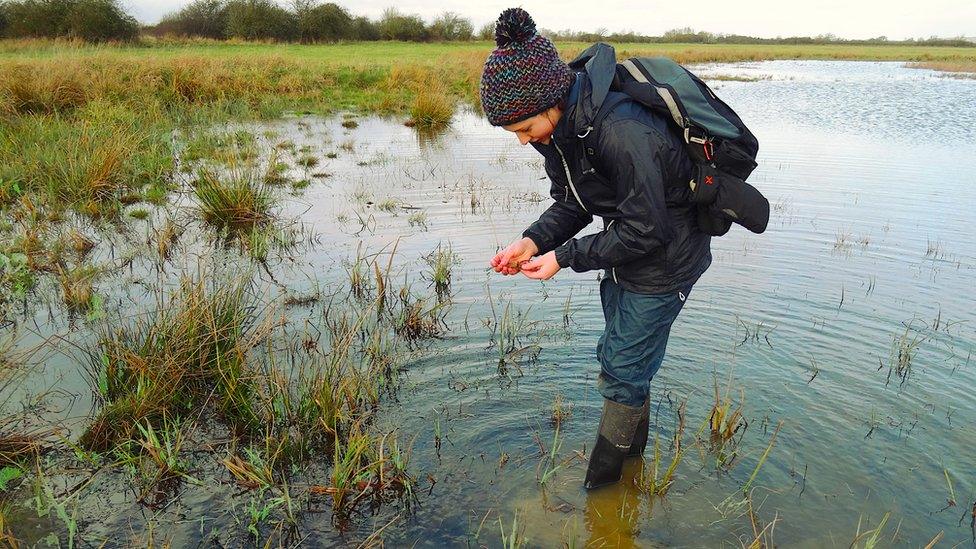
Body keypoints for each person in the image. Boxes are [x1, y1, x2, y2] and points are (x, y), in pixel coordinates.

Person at [481, 8, 712, 489]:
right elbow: (574, 201)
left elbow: (647, 229)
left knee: (624, 368)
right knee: (626, 361)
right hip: (624, 249)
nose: (525, 142)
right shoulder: (562, 131)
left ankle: (600, 495)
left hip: (666, 257)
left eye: (525, 129)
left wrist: (564, 258)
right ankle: (631, 472)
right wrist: (532, 240)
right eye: (516, 135)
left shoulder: (621, 131)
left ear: (549, 103)